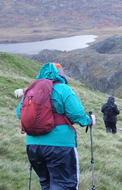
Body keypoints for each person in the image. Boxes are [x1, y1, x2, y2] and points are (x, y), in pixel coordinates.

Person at [17, 62, 96, 190]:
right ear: (59, 75)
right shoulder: (62, 89)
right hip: (60, 147)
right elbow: (76, 114)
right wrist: (89, 120)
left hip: (33, 146)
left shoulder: (32, 90)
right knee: (64, 185)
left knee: (46, 183)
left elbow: (19, 113)